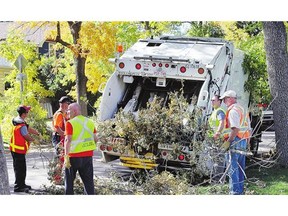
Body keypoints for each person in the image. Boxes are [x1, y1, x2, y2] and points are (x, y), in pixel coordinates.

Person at [220, 90, 250, 195]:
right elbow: (248, 129)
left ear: (230, 98)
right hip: (243, 141)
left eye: (225, 99)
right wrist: (248, 142)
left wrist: (228, 142)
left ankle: (235, 193)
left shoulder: (232, 111)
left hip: (235, 140)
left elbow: (235, 129)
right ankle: (240, 192)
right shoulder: (242, 109)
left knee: (233, 169)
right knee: (240, 168)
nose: (224, 102)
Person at [63, 103, 97, 195]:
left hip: (73, 157)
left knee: (69, 183)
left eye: (69, 110)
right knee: (89, 183)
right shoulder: (90, 122)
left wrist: (66, 157)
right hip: (87, 156)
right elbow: (95, 139)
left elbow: (68, 140)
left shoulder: (70, 123)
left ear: (74, 111)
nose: (67, 112)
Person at [10, 105, 40, 192]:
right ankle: (19, 186)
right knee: (20, 169)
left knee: (19, 168)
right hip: (18, 150)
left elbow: (28, 129)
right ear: (23, 114)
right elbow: (26, 136)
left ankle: (22, 184)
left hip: (15, 149)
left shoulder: (17, 121)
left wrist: (37, 133)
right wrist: (34, 140)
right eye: (27, 112)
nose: (28, 113)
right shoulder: (21, 125)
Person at [208, 95, 226, 182]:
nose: (212, 102)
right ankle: (215, 177)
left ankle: (218, 179)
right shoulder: (215, 111)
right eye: (211, 100)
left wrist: (217, 133)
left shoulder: (219, 111)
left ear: (219, 101)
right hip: (213, 138)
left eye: (214, 100)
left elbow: (222, 122)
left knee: (219, 159)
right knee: (215, 159)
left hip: (218, 139)